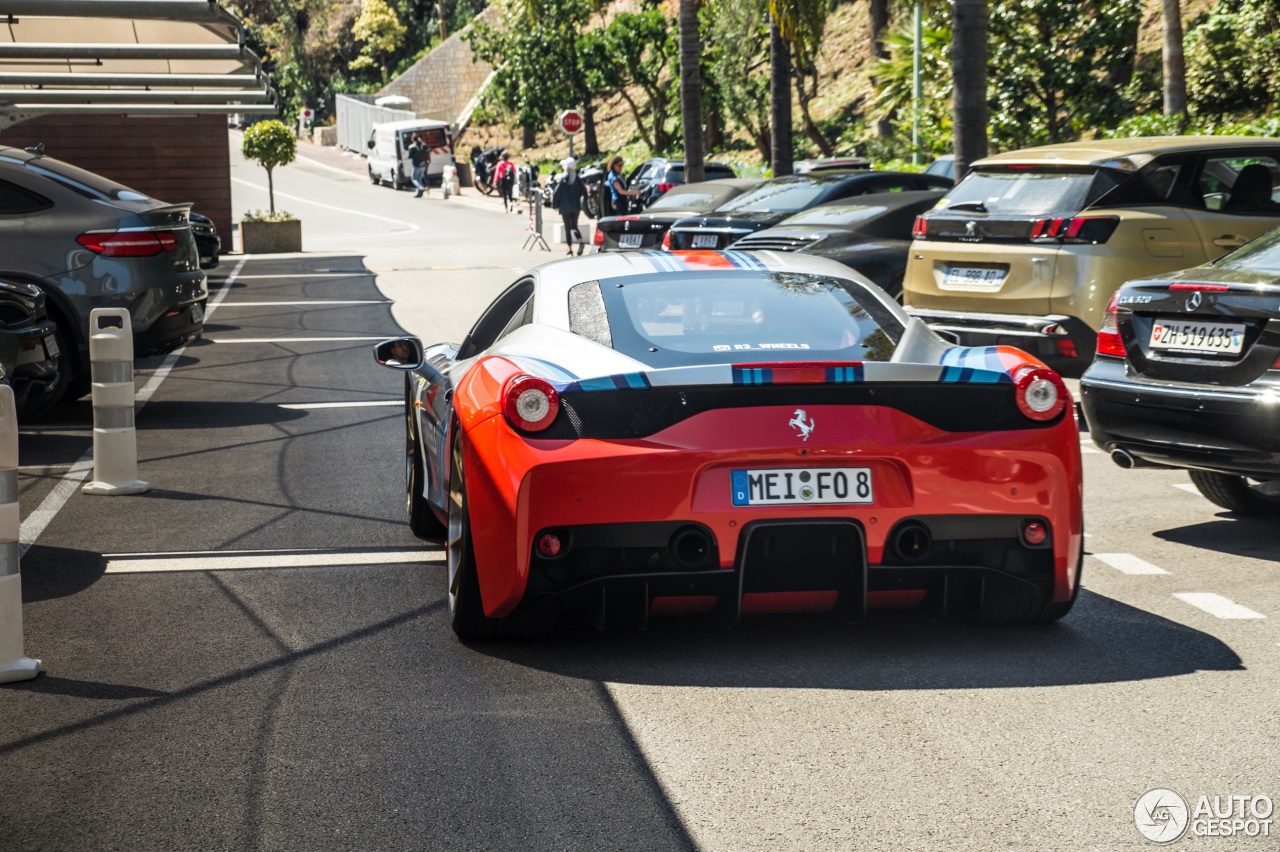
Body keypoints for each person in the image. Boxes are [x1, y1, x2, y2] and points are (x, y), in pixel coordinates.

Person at [552, 157, 589, 256]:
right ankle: (580, 241)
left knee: (567, 228)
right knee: (574, 226)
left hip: (565, 207)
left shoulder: (563, 179)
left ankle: (570, 249)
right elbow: (584, 192)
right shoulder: (577, 179)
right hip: (576, 207)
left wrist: (555, 205)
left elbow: (556, 193)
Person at [407, 134, 429, 198]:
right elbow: (428, 150)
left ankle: (421, 188)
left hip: (416, 164)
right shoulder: (423, 145)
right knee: (419, 179)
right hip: (423, 164)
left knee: (414, 178)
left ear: (413, 139)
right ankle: (418, 193)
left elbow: (410, 156)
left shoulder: (412, 147)